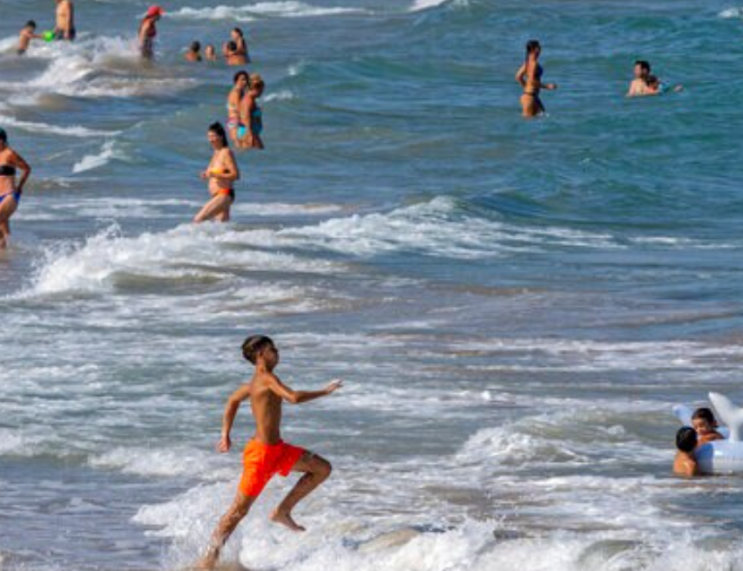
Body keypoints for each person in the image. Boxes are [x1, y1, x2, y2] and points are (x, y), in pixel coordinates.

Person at [196, 335, 342, 570]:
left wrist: (225, 434)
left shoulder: (256, 382)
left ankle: (282, 511)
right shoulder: (266, 378)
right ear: (261, 354)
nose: (278, 352)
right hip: (261, 456)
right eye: (273, 349)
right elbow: (293, 398)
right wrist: (325, 391)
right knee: (238, 511)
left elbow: (233, 400)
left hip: (278, 450)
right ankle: (208, 561)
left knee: (322, 469)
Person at [194, 123, 239, 224]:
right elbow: (215, 172)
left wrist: (215, 175)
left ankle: (194, 239)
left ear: (221, 136)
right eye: (209, 136)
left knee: (198, 219)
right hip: (217, 195)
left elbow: (235, 175)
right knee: (221, 227)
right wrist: (206, 174)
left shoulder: (226, 152)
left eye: (213, 136)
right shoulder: (216, 153)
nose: (211, 139)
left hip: (224, 193)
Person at [0, 129, 32, 250]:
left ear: (1, 140)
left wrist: (20, 187)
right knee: (3, 233)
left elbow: (27, 169)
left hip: (9, 195)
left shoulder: (10, 153)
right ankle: (6, 263)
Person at [515, 40, 557, 118]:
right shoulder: (533, 64)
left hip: (531, 96)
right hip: (530, 98)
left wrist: (526, 88)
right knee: (530, 126)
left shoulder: (528, 62)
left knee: (544, 117)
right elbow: (532, 81)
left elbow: (518, 77)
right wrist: (547, 86)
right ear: (534, 49)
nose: (540, 48)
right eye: (538, 46)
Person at [238, 73, 264, 150]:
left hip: (249, 132)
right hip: (249, 132)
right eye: (261, 90)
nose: (261, 93)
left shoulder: (250, 99)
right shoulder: (248, 101)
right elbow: (245, 117)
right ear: (255, 88)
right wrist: (250, 135)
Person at [227, 71, 249, 145]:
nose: (245, 82)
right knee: (239, 144)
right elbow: (239, 108)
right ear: (236, 81)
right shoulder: (237, 92)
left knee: (240, 144)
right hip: (236, 122)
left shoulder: (240, 91)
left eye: (246, 79)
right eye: (242, 79)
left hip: (233, 121)